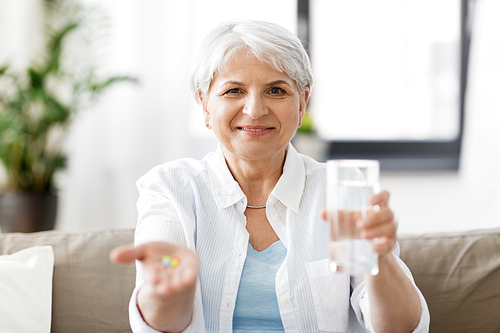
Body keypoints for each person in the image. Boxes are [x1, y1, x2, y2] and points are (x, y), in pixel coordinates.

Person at [110, 20, 430, 333]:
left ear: (302, 102)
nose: (255, 109)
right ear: (204, 103)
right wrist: (170, 293)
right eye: (234, 90)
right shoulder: (170, 188)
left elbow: (400, 329)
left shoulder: (341, 191)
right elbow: (160, 325)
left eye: (276, 90)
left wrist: (380, 258)